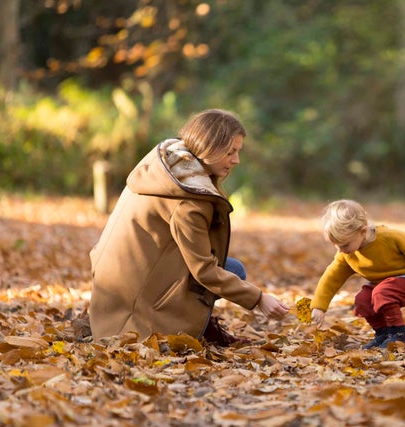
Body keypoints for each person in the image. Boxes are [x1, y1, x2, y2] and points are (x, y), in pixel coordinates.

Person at [88, 108, 289, 345]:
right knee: (234, 272)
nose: (236, 160)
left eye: (237, 152)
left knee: (230, 267)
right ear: (209, 147)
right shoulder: (187, 200)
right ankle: (196, 329)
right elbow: (203, 270)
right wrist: (259, 299)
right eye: (230, 152)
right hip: (131, 313)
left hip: (112, 293)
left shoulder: (164, 170)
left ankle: (202, 325)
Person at [310, 199, 405, 349]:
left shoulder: (388, 237)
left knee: (382, 292)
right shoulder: (347, 254)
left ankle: (400, 334)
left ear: (362, 231)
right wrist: (320, 306)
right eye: (336, 246)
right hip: (382, 287)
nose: (340, 250)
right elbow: (331, 277)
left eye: (344, 245)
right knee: (363, 300)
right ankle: (383, 334)